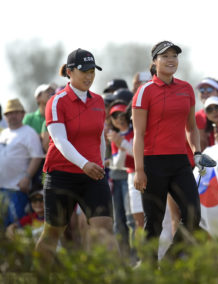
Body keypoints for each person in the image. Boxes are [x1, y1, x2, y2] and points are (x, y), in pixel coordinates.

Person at [35, 48, 118, 264]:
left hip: (92, 174)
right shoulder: (56, 101)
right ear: (70, 72)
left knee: (105, 228)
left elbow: (100, 137)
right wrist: (85, 164)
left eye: (92, 71)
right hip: (61, 176)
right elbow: (60, 141)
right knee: (53, 233)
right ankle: (37, 276)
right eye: (84, 71)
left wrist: (98, 166)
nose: (89, 76)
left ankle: (108, 278)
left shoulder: (99, 101)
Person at [132, 41, 204, 263]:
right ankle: (149, 269)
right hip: (153, 163)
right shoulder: (145, 92)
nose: (171, 60)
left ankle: (170, 261)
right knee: (153, 222)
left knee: (193, 216)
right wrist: (139, 170)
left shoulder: (186, 89)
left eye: (174, 56)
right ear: (154, 62)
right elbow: (139, 135)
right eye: (165, 56)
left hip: (180, 162)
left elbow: (191, 127)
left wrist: (197, 153)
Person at [106, 99, 143, 263]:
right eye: (115, 116)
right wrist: (121, 146)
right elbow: (118, 164)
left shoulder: (135, 131)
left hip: (144, 173)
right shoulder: (116, 137)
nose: (119, 118)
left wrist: (123, 144)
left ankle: (143, 254)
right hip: (130, 176)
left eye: (122, 114)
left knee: (141, 218)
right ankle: (134, 258)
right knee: (133, 219)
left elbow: (139, 155)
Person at [0, 98, 43, 230]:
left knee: (16, 227)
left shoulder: (29, 133)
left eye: (15, 112)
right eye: (8, 113)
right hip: (2, 189)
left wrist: (27, 177)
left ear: (22, 114)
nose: (12, 116)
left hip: (18, 188)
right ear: (5, 116)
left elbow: (37, 157)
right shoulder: (3, 133)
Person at [195, 77, 218, 150]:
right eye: (202, 90)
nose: (205, 93)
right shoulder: (197, 116)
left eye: (209, 89)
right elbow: (202, 146)